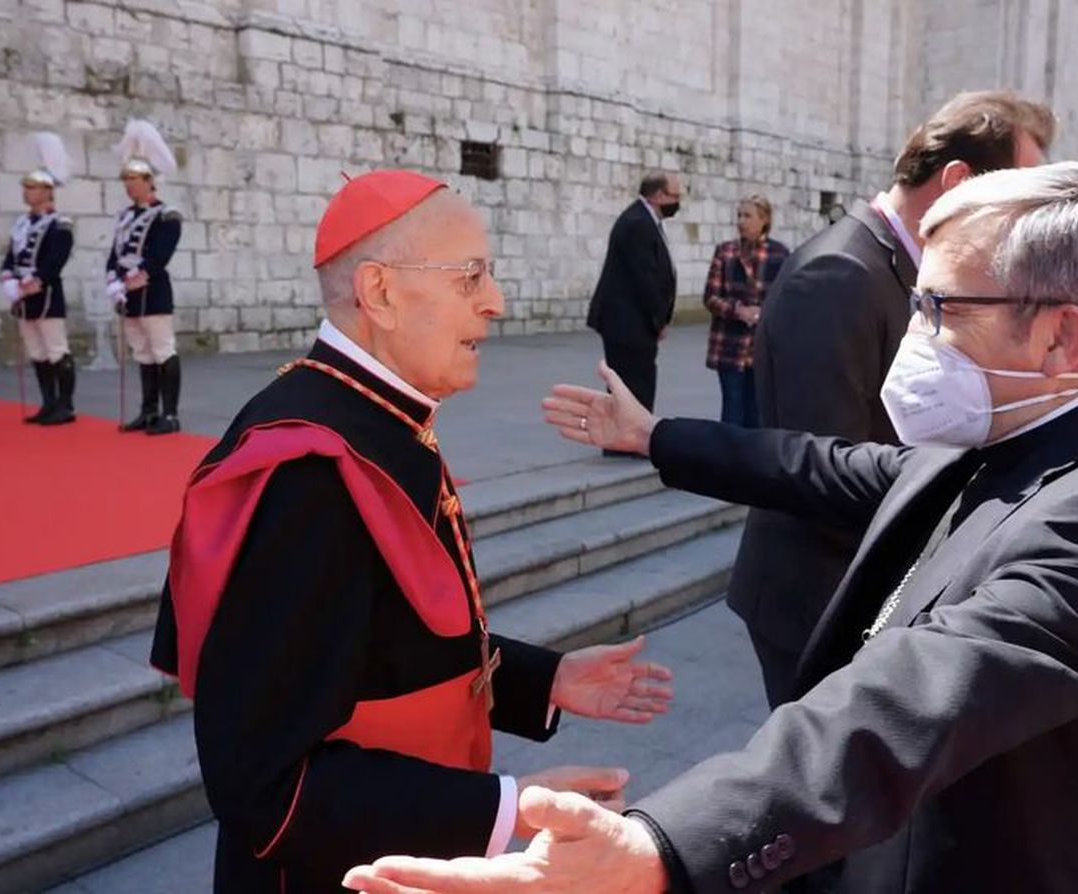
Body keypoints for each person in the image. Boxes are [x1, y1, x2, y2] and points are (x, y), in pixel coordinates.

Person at [345, 161, 1078, 894]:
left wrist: (659, 848)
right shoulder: (1017, 429)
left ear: (1060, 336)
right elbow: (827, 467)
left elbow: (908, 702)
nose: (915, 337)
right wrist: (656, 435)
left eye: (941, 312)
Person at [148, 170, 675, 893]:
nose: (496, 302)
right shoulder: (305, 471)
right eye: (470, 278)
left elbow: (381, 651)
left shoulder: (376, 416)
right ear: (381, 292)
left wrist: (543, 679)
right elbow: (265, 787)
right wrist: (509, 806)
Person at [734, 90, 1055, 709]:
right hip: (822, 595)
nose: (1020, 224)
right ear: (957, 181)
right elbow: (820, 465)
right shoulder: (838, 276)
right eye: (1013, 200)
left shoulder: (898, 268)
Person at [586, 171, 681, 427]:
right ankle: (627, 436)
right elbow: (645, 279)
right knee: (632, 382)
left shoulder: (643, 220)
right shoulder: (638, 223)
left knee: (633, 380)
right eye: (675, 196)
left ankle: (626, 434)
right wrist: (659, 319)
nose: (678, 202)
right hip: (628, 322)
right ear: (659, 195)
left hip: (631, 321)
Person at [107, 119, 184, 435]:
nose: (129, 185)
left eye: (134, 179)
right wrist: (113, 280)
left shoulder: (167, 215)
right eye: (126, 179)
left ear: (149, 181)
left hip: (152, 292)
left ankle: (170, 414)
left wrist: (134, 278)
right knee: (141, 351)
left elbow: (158, 256)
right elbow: (115, 252)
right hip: (129, 293)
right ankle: (148, 410)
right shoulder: (125, 216)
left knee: (162, 349)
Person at [1, 132, 77, 426]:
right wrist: (8, 278)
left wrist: (33, 282)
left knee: (56, 350)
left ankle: (65, 405)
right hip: (23, 297)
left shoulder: (60, 223)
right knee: (37, 352)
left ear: (47, 191)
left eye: (32, 187)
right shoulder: (21, 223)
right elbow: (12, 255)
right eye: (26, 187)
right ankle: (48, 402)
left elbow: (55, 260)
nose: (27, 192)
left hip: (45, 296)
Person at [702, 195, 788, 427]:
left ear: (764, 220)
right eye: (739, 215)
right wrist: (738, 310)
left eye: (747, 216)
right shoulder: (726, 252)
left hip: (762, 348)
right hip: (730, 345)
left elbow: (788, 299)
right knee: (732, 410)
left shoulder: (780, 255)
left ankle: (754, 461)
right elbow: (710, 297)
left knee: (758, 413)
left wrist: (763, 313)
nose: (741, 221)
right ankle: (726, 461)